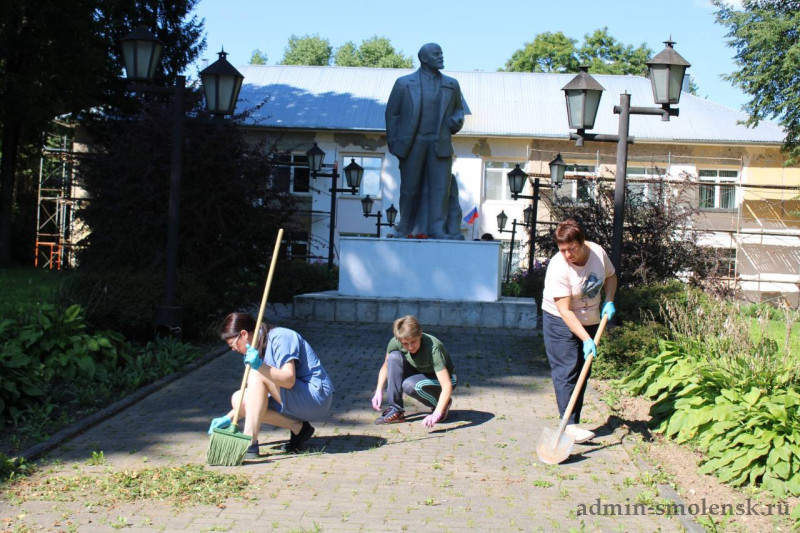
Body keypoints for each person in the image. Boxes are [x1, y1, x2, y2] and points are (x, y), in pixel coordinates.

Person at [208, 312, 334, 459]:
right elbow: (255, 397)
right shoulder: (254, 350)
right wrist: (228, 418)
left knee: (257, 373)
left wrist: (259, 366)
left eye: (232, 344)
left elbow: (289, 380)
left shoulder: (281, 337)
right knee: (238, 399)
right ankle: (299, 428)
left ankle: (249, 442)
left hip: (315, 397)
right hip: (294, 398)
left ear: (243, 334)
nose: (233, 349)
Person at [541, 219, 617, 444]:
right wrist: (585, 339)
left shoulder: (598, 254)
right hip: (559, 320)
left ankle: (572, 421)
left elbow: (611, 276)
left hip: (590, 318)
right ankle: (569, 425)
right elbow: (564, 310)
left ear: (582, 243)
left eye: (571, 249)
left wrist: (609, 300)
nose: (567, 255)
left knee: (583, 369)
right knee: (567, 369)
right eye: (562, 249)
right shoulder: (558, 267)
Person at [385, 43, 465, 239]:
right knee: (410, 188)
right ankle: (404, 227)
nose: (441, 57)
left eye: (441, 53)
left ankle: (437, 229)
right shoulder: (404, 83)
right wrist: (394, 143)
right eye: (436, 54)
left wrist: (456, 120)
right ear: (424, 58)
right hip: (413, 143)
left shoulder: (451, 84)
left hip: (440, 142)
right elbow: (392, 114)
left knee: (441, 189)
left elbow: (459, 110)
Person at [371, 315, 456, 427]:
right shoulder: (396, 342)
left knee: (411, 385)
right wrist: (378, 391)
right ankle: (396, 410)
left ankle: (442, 405)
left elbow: (447, 385)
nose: (410, 347)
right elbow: (385, 366)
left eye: (413, 341)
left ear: (420, 334)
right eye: (405, 343)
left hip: (443, 378)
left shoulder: (433, 348)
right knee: (394, 357)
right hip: (419, 372)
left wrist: (437, 413)